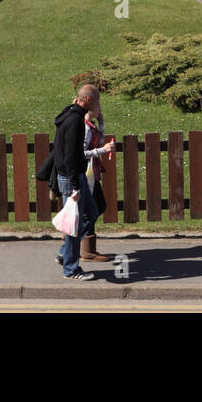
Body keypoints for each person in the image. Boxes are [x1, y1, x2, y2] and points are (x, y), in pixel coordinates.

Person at [52, 84, 111, 280]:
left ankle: (64, 252)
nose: (99, 105)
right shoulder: (77, 121)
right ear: (87, 101)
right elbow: (70, 156)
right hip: (72, 178)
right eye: (97, 101)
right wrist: (75, 186)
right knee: (74, 224)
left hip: (76, 176)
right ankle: (71, 269)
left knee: (92, 212)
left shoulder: (71, 112)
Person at [80, 106, 114, 262]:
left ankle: (88, 250)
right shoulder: (85, 127)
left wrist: (101, 123)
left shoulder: (91, 125)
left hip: (91, 173)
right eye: (98, 106)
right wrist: (102, 151)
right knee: (97, 207)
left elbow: (98, 142)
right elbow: (81, 153)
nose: (100, 108)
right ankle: (75, 240)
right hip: (86, 174)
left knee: (95, 207)